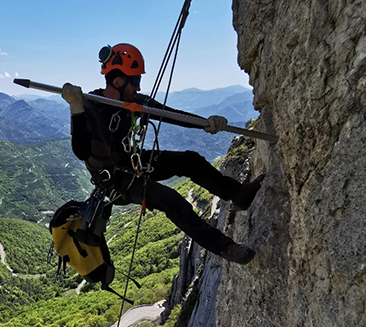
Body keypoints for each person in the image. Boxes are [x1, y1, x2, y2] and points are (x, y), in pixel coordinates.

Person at [61, 43, 264, 265]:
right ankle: (225, 247)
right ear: (118, 81)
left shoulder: (135, 102)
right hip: (115, 180)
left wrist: (206, 124)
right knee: (171, 201)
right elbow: (81, 151)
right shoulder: (89, 107)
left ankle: (240, 195)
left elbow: (170, 115)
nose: (138, 88)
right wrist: (75, 109)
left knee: (190, 161)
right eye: (136, 80)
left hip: (132, 161)